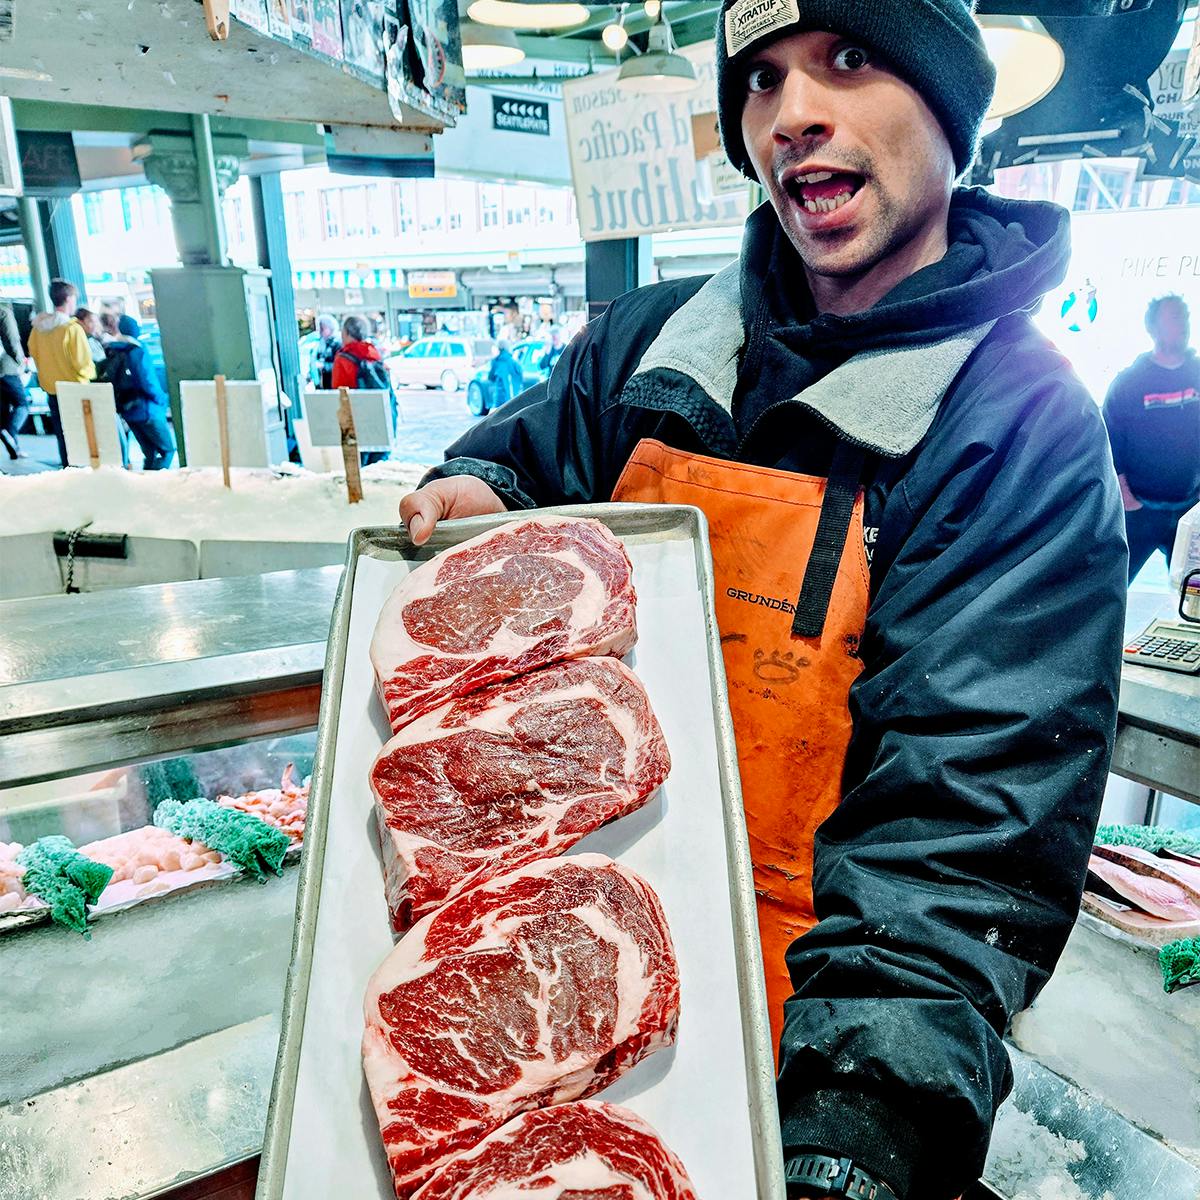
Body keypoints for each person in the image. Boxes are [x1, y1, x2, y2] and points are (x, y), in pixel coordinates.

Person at [398, 5, 1128, 1199]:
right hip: (571, 982)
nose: (793, 116)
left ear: (950, 114)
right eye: (761, 82)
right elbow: (525, 456)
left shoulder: (1020, 430)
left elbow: (961, 841)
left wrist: (852, 1139)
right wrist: (478, 489)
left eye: (849, 59)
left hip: (822, 1051)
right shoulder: (648, 343)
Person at [1103, 294, 1200, 582]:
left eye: (1185, 317)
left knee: (1192, 594)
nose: (1182, 324)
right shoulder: (1130, 381)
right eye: (1173, 318)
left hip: (1188, 511)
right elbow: (1110, 443)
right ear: (1153, 328)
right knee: (1113, 587)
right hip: (1140, 511)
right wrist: (1127, 498)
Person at [27, 279, 95, 467]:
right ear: (69, 298)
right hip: (76, 391)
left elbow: (33, 353)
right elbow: (82, 364)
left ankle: (69, 473)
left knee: (64, 437)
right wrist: (93, 373)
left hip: (52, 391)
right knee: (84, 439)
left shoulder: (38, 329)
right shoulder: (72, 329)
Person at [105, 315, 175, 470]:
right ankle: (156, 485)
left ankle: (147, 486)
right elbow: (148, 381)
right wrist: (161, 399)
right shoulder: (137, 351)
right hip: (147, 409)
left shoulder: (113, 350)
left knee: (149, 453)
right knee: (167, 451)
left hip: (128, 410)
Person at [332, 314, 397, 465]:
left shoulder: (343, 358)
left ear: (346, 333)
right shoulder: (373, 352)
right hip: (379, 422)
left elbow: (339, 393)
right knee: (378, 467)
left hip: (357, 424)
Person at [0, 301, 29, 460]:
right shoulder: (3, 312)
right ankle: (10, 432)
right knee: (21, 404)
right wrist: (21, 361)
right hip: (6, 367)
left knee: (3, 409)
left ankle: (14, 449)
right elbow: (12, 340)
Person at [488, 339, 525, 407]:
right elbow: (521, 377)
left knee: (498, 416)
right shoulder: (514, 362)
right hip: (514, 397)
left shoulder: (496, 362)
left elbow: (491, 378)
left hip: (500, 398)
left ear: (499, 349)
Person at [310, 313, 341, 391]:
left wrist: (324, 366)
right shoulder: (321, 343)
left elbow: (340, 365)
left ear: (330, 328)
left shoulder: (337, 344)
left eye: (322, 328)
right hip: (323, 383)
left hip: (333, 383)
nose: (320, 331)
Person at [76, 308, 109, 373]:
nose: (95, 325)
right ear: (81, 323)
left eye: (96, 321)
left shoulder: (94, 340)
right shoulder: (81, 342)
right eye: (91, 321)